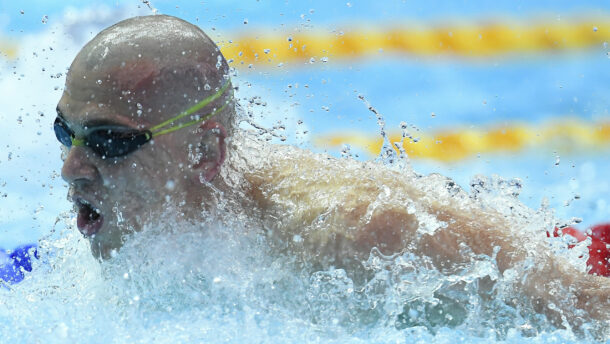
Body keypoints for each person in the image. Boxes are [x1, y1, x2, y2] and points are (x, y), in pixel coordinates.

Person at [55, 15, 608, 334]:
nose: (71, 168)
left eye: (109, 140)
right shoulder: (142, 223)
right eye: (65, 133)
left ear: (204, 151)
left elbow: (588, 308)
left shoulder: (359, 233)